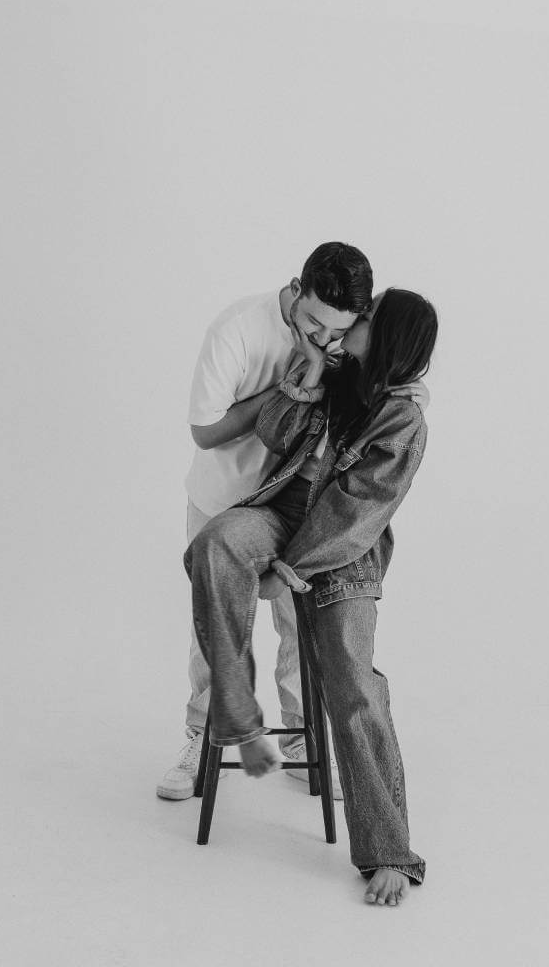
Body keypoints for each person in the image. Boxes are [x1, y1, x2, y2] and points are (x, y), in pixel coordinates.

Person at [184, 288, 438, 907]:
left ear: (387, 339)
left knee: (352, 685)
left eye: (366, 319)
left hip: (339, 556)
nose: (351, 323)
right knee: (216, 543)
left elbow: (357, 514)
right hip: (280, 515)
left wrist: (285, 570)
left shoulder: (402, 420)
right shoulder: (339, 374)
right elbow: (275, 434)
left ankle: (389, 853)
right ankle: (234, 697)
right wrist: (312, 376)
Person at [159, 243, 396, 801]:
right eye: (313, 322)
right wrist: (293, 383)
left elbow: (385, 382)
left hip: (297, 511)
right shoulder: (237, 329)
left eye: (335, 330)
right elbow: (205, 431)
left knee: (300, 625)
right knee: (215, 627)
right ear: (296, 286)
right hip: (224, 500)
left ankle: (299, 744)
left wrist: (410, 388)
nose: (323, 338)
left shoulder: (341, 334)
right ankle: (201, 736)